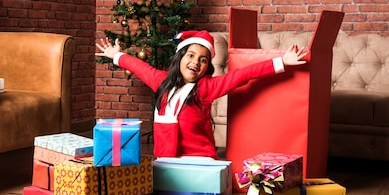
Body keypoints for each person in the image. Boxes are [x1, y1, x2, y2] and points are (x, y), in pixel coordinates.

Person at [95, 30, 308, 159]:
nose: (196, 62)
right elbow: (139, 66)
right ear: (180, 58)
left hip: (200, 157)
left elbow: (244, 75)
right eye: (191, 55)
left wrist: (281, 62)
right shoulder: (160, 81)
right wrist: (117, 55)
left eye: (203, 60)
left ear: (207, 67)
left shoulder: (207, 88)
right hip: (166, 157)